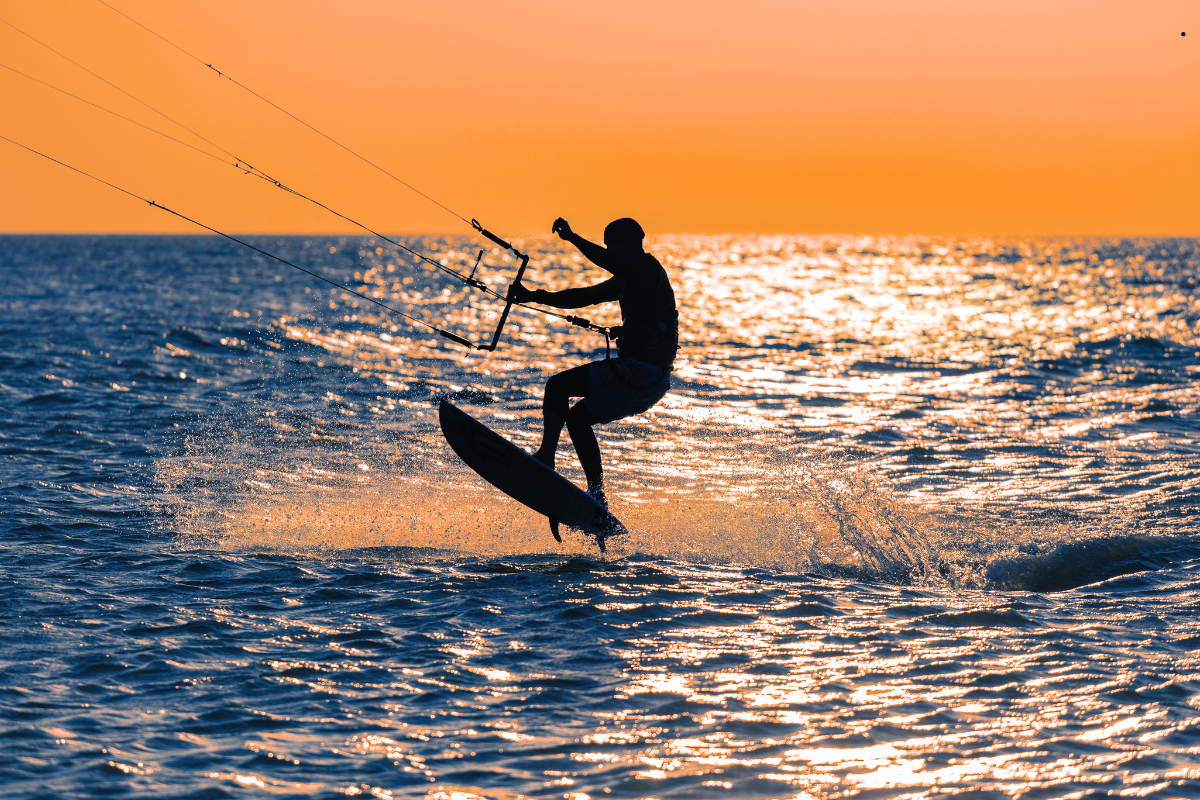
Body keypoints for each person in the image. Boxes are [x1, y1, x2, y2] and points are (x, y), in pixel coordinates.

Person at [511, 217, 678, 518]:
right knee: (577, 420)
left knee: (557, 386)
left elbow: (608, 261)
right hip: (649, 380)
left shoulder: (648, 272)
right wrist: (533, 296)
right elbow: (583, 296)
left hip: (641, 373)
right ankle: (597, 496)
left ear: (626, 245)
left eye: (611, 247)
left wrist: (573, 238)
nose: (610, 253)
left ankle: (546, 457)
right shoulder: (630, 278)